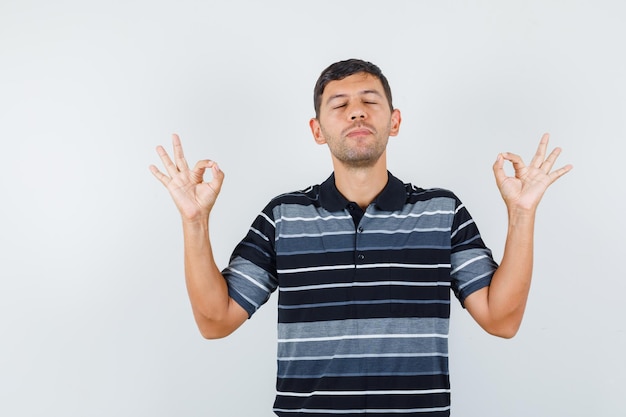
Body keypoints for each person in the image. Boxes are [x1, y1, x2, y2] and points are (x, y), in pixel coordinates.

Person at [149, 58, 572, 416]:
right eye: (340, 105)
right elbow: (215, 321)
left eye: (370, 101)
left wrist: (521, 214)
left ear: (395, 120)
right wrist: (194, 221)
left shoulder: (442, 212)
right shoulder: (283, 216)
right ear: (318, 129)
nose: (357, 112)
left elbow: (502, 320)